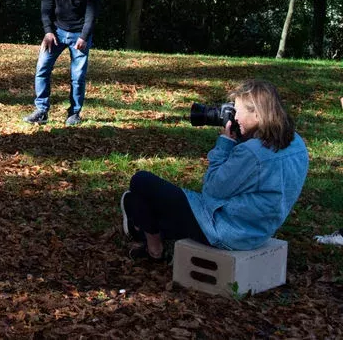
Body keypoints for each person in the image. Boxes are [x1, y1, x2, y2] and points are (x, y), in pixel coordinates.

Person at [120, 80, 308, 261]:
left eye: (238, 112)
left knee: (141, 181)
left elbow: (212, 190)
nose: (234, 118)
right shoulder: (296, 143)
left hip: (226, 231)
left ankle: (154, 248)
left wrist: (225, 144)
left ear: (257, 114)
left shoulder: (252, 153)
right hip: (259, 230)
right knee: (144, 201)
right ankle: (143, 222)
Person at [24, 0, 101, 126]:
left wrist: (84, 35)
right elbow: (46, 4)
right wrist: (48, 31)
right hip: (56, 32)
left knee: (77, 77)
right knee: (42, 68)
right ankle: (41, 110)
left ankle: (74, 113)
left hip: (79, 34)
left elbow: (92, 9)